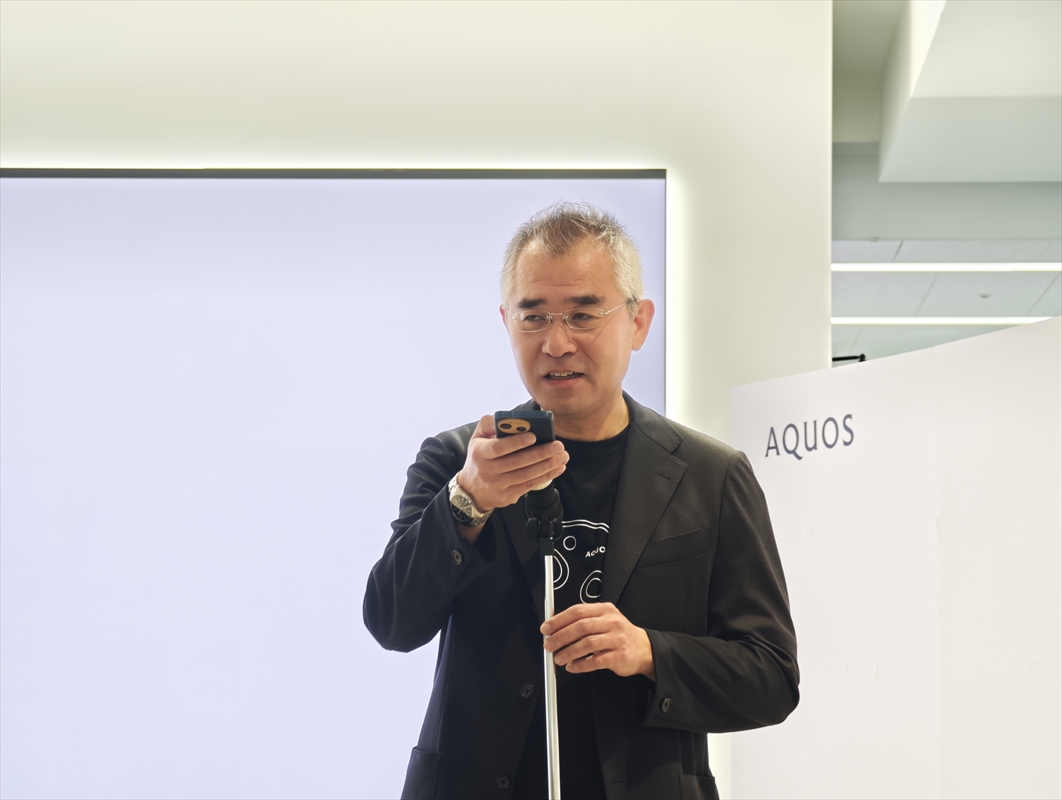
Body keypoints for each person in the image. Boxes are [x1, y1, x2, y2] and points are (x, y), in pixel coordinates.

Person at [363, 203, 798, 800]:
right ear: (507, 323)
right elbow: (392, 622)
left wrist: (649, 651)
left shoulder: (709, 476)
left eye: (583, 315)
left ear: (638, 323)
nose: (557, 342)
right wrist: (468, 502)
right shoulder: (457, 462)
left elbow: (771, 677)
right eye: (533, 317)